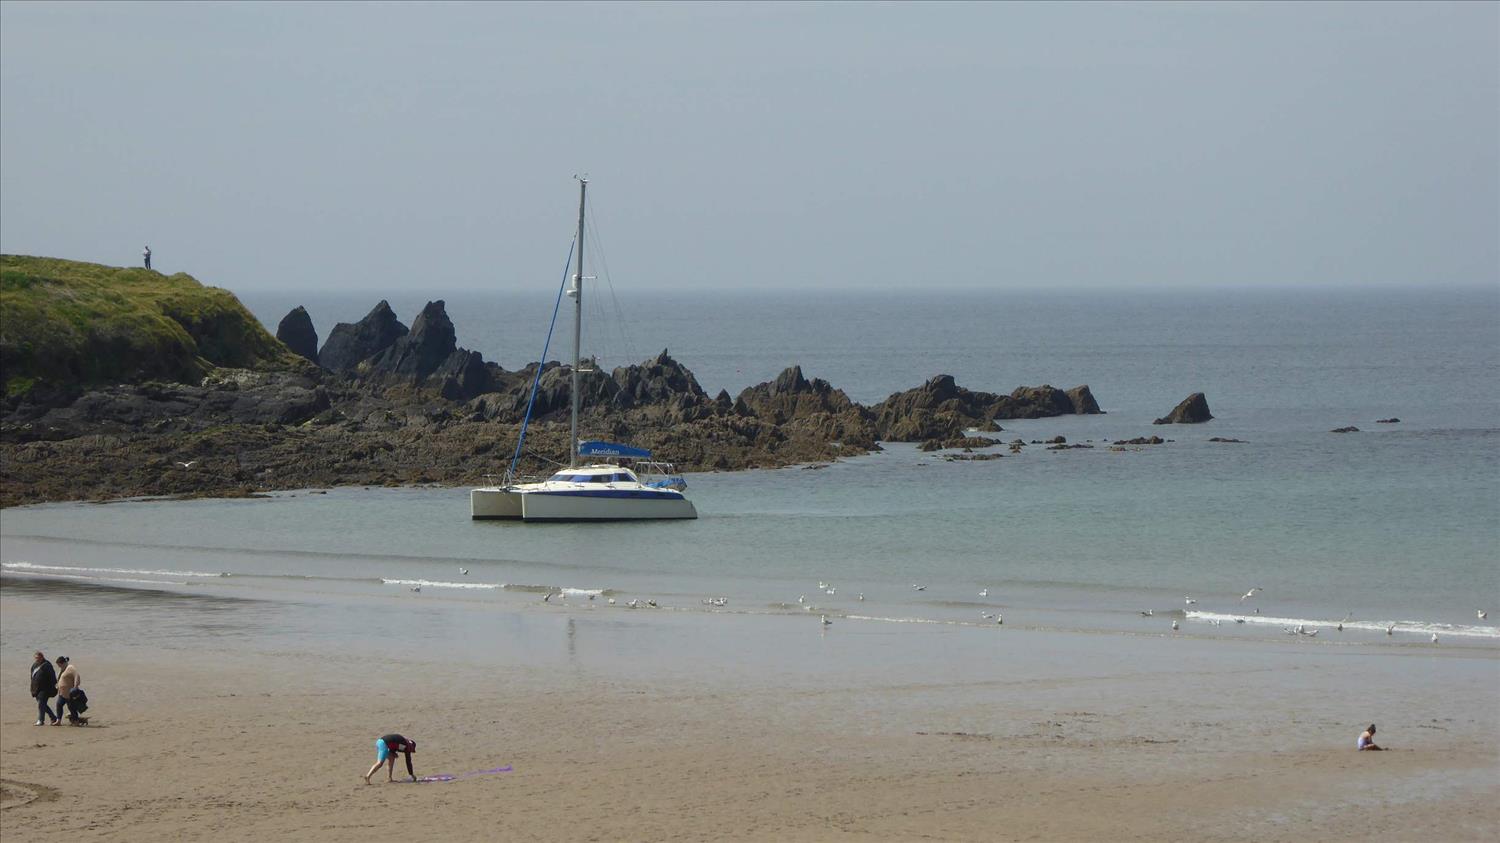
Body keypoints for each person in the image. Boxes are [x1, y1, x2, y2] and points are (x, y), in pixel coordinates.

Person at [30, 651, 58, 726]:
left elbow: (52, 677)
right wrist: (32, 688)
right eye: (35, 658)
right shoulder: (34, 665)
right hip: (36, 689)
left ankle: (41, 720)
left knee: (41, 703)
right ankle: (53, 717)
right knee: (42, 704)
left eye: (38, 658)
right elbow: (32, 677)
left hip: (45, 689)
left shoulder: (47, 665)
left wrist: (54, 687)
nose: (37, 659)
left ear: (42, 657)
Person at [53, 656, 81, 725]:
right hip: (62, 693)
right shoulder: (63, 669)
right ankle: (58, 721)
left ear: (63, 663)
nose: (59, 667)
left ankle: (76, 721)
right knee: (58, 705)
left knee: (71, 708)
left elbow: (77, 676)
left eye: (59, 665)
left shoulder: (70, 668)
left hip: (69, 693)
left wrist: (75, 687)